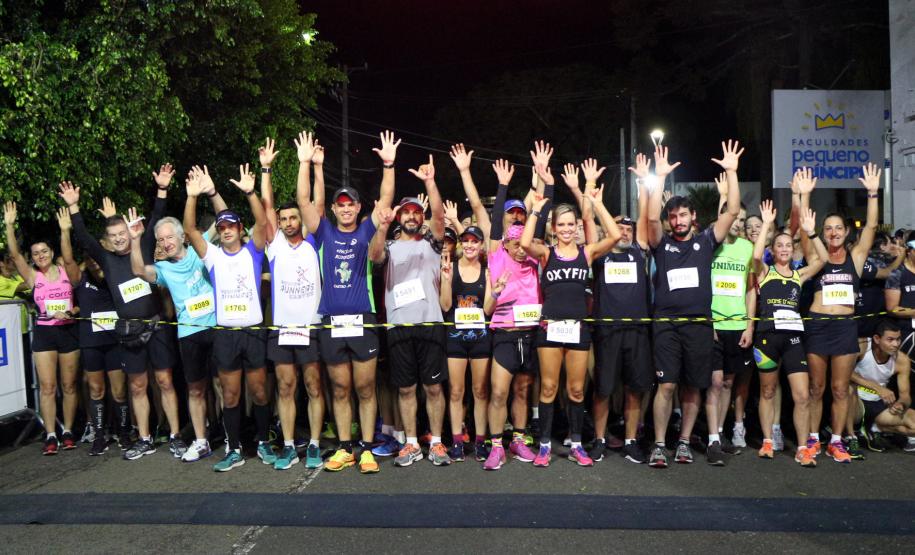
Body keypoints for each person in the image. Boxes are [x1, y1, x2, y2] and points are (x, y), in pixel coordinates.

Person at [61, 169, 181, 461]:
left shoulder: (146, 247)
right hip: (128, 331)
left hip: (156, 327)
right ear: (108, 239)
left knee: (165, 381)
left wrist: (162, 189)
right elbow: (84, 237)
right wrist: (74, 207)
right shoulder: (106, 259)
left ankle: (177, 436)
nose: (118, 240)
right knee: (137, 385)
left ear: (130, 232)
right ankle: (143, 438)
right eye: (112, 236)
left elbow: (156, 216)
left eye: (122, 234)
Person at [298, 131, 400, 473]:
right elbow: (302, 201)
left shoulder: (366, 231)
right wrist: (306, 164)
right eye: (340, 205)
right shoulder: (324, 231)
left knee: (365, 386)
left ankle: (368, 448)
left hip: (363, 321)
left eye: (350, 204)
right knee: (340, 388)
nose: (345, 209)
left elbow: (386, 199)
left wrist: (388, 164)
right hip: (331, 322)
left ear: (358, 207)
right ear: (334, 208)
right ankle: (345, 448)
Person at [645, 140, 743, 469]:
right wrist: (659, 178)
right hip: (666, 325)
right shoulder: (661, 244)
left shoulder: (705, 242)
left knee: (692, 387)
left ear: (693, 216)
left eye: (683, 215)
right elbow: (650, 219)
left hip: (700, 325)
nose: (677, 220)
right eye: (673, 216)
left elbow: (731, 211)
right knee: (666, 384)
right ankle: (660, 445)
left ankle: (685, 442)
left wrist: (731, 171)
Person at [127, 165, 231, 463]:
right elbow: (138, 270)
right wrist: (136, 240)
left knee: (224, 384)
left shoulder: (202, 248)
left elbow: (224, 218)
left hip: (218, 327)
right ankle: (200, 440)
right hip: (188, 335)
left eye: (168, 237)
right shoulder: (162, 269)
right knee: (196, 389)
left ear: (182, 236)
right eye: (160, 240)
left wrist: (208, 192)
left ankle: (230, 434)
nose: (165, 243)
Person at [522, 159, 621, 468]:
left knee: (576, 389)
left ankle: (577, 443)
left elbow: (615, 236)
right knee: (549, 388)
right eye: (560, 225)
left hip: (577, 328)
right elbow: (525, 242)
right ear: (554, 229)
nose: (566, 229)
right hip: (550, 328)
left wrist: (597, 204)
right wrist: (537, 209)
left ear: (577, 227)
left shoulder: (586, 253)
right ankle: (544, 447)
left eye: (570, 224)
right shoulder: (547, 253)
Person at [184, 163, 272, 472]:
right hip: (225, 334)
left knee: (260, 392)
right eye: (221, 227)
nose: (225, 230)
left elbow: (262, 221)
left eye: (231, 226)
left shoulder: (253, 252)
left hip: (253, 332)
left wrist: (250, 193)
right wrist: (193, 196)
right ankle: (233, 448)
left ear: (239, 229)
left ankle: (263, 442)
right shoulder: (213, 256)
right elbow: (191, 230)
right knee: (231, 394)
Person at [371, 154, 450, 467]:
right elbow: (374, 255)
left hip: (430, 324)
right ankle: (411, 443)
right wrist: (382, 226)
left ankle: (438, 443)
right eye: (407, 212)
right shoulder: (389, 247)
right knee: (406, 387)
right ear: (399, 216)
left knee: (433, 386)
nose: (413, 217)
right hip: (399, 327)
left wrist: (430, 182)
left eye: (417, 212)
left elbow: (441, 219)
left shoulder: (431, 244)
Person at [802, 163, 881, 463]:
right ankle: (811, 440)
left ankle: (836, 441)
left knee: (839, 389)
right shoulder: (816, 254)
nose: (833, 233)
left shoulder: (856, 257)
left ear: (847, 232)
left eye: (838, 228)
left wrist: (872, 193)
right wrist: (805, 195)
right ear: (822, 233)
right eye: (828, 229)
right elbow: (805, 227)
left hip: (845, 327)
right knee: (816, 388)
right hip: (819, 325)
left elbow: (871, 228)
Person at [258, 136, 325, 471]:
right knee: (285, 386)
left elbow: (317, 203)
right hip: (282, 330)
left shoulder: (314, 241)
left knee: (313, 385)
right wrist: (265, 168)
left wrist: (309, 164)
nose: (287, 223)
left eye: (293, 218)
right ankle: (287, 445)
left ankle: (313, 444)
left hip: (310, 327)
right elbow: (266, 206)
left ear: (301, 220)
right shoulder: (274, 246)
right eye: (283, 219)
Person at [751, 198, 826, 466]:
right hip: (767, 338)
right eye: (779, 245)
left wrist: (812, 231)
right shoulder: (765, 273)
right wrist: (767, 225)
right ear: (774, 249)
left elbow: (823, 259)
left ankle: (804, 448)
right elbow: (756, 257)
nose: (784, 249)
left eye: (788, 245)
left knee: (802, 396)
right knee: (768, 392)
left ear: (793, 250)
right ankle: (768, 441)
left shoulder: (798, 274)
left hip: (793, 339)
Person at [590, 153, 654, 464]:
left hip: (637, 330)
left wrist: (643, 181)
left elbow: (643, 218)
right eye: (620, 228)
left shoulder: (639, 254)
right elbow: (590, 224)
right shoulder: (600, 256)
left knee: (634, 388)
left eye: (629, 228)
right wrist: (590, 192)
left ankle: (630, 440)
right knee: (603, 389)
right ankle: (600, 439)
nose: (626, 232)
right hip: (607, 330)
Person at [4, 202, 80, 455]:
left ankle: (68, 430)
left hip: (68, 331)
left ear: (51, 251)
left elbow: (69, 258)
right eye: (36, 253)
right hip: (45, 333)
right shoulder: (32, 276)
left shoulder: (65, 270)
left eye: (44, 251)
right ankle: (50, 435)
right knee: (47, 387)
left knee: (69, 386)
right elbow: (15, 255)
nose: (40, 256)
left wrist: (65, 230)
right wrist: (9, 225)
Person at [706, 173, 755, 464]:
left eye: (741, 221)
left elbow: (751, 290)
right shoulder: (714, 243)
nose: (737, 224)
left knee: (728, 383)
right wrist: (723, 198)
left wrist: (749, 324)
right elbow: (718, 221)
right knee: (713, 382)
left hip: (738, 327)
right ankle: (712, 439)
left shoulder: (748, 249)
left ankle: (720, 434)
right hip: (713, 324)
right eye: (734, 219)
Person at [439, 225, 493, 462]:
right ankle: (457, 442)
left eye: (475, 241)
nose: (470, 245)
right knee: (456, 391)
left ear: (481, 245)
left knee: (480, 391)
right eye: (466, 241)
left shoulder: (487, 271)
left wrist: (497, 291)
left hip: (480, 337)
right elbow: (445, 306)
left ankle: (481, 442)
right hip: (455, 338)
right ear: (461, 244)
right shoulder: (451, 268)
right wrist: (445, 279)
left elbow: (489, 309)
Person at [850, 320, 915, 452]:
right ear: (877, 339)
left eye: (898, 339)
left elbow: (905, 396)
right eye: (890, 340)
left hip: (878, 405)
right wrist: (877, 388)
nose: (896, 344)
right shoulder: (862, 346)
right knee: (847, 388)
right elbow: (843, 373)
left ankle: (874, 428)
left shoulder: (902, 360)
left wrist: (901, 405)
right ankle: (851, 434)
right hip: (855, 402)